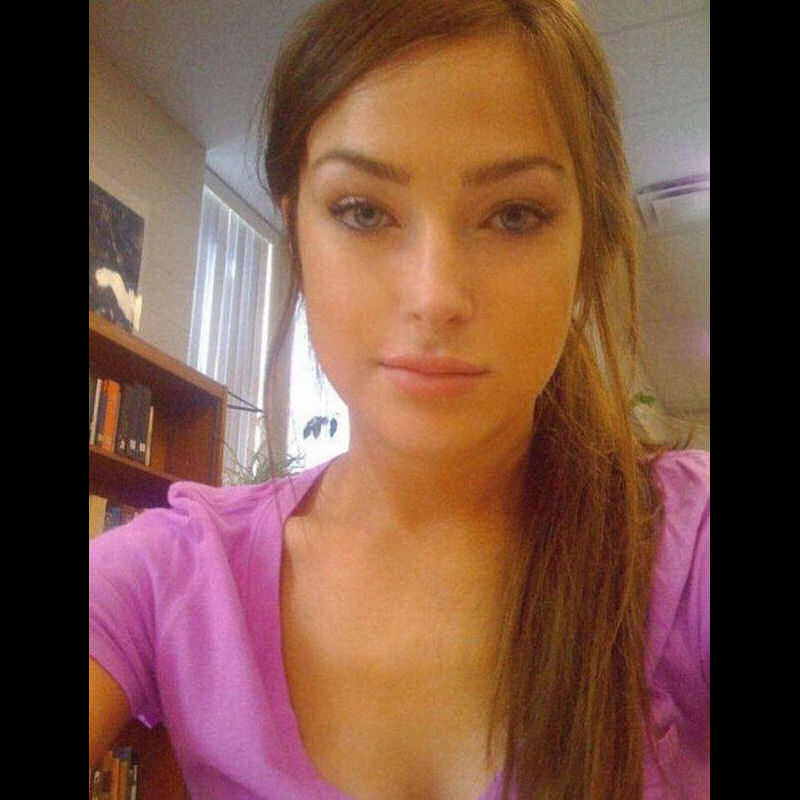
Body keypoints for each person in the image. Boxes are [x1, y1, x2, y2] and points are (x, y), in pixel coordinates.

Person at [89, 1, 709, 798]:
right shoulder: (168, 575)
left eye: (514, 215)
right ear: (297, 231)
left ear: (587, 243)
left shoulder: (682, 548)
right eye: (364, 211)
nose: (435, 295)